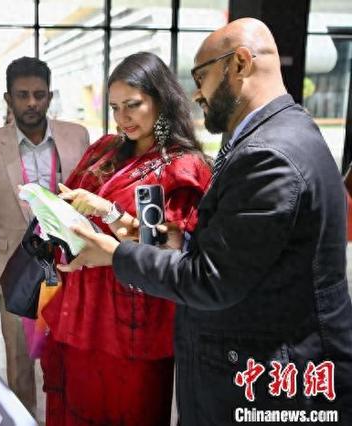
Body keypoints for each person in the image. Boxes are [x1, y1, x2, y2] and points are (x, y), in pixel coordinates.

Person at [58, 18, 352, 425]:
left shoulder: (267, 155)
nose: (196, 92)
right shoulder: (278, 134)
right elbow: (241, 250)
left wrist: (115, 253)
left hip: (264, 369)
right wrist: (177, 240)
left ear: (240, 63)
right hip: (252, 354)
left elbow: (212, 279)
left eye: (201, 77)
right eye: (115, 107)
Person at [40, 52, 212, 425]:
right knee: (74, 404)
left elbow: (168, 250)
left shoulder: (181, 166)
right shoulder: (104, 149)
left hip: (135, 316)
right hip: (80, 303)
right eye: (115, 107)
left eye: (132, 105)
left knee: (129, 409)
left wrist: (108, 211)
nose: (122, 118)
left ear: (161, 99)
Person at [0, 56, 89, 416]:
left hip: (70, 267)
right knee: (20, 363)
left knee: (69, 357)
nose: (32, 103)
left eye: (39, 94)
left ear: (50, 96)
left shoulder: (77, 137)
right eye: (23, 95)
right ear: (8, 99)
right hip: (14, 270)